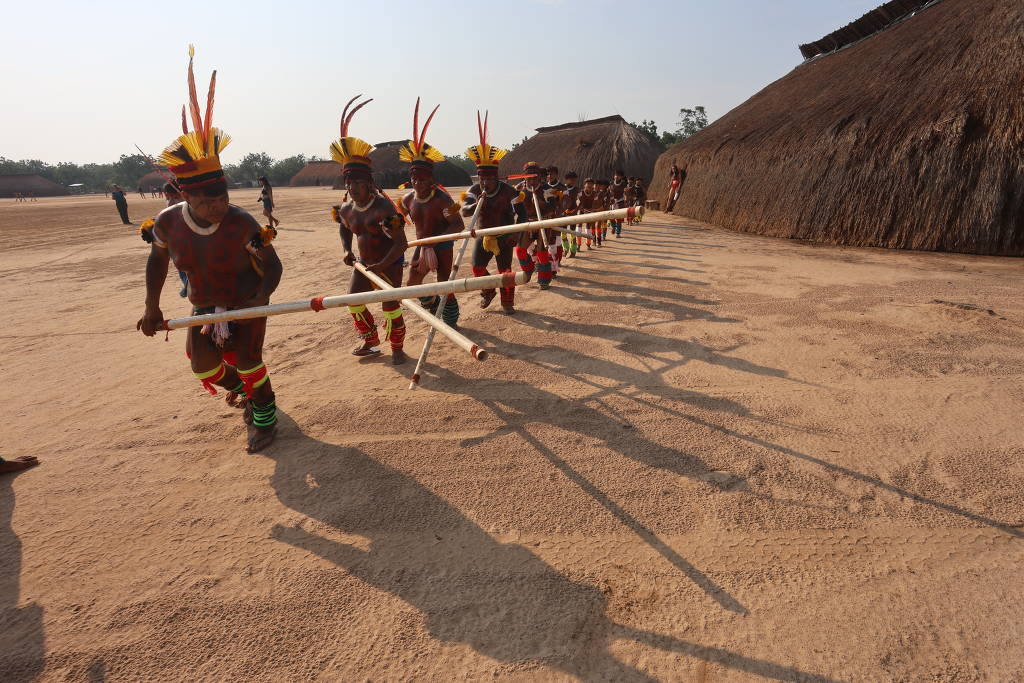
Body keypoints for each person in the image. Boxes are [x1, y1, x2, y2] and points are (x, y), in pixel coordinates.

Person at [136, 46, 282, 453]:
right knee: (204, 366)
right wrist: (151, 306)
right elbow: (157, 260)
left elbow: (271, 265)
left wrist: (260, 298)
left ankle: (264, 418)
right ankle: (245, 393)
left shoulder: (241, 222)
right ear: (185, 195)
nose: (219, 206)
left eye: (223, 197)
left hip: (246, 302)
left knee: (250, 359)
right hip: (203, 307)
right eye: (208, 201)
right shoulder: (167, 224)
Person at [330, 95, 409, 365]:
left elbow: (401, 244)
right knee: (353, 300)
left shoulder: (384, 210)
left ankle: (397, 348)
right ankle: (371, 341)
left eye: (358, 184)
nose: (353, 189)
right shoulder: (346, 209)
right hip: (364, 263)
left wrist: (382, 265)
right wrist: (346, 250)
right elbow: (345, 229)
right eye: (349, 184)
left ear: (369, 183)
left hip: (390, 261)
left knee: (390, 306)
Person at [399, 98, 466, 327]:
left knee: (445, 283)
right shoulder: (408, 199)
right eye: (414, 178)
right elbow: (401, 217)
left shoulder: (442, 199)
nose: (417, 182)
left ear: (431, 179)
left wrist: (437, 242)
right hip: (421, 246)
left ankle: (451, 321)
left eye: (422, 179)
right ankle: (432, 304)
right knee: (413, 284)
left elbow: (458, 225)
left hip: (443, 246)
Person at [463, 111, 527, 314]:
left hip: (504, 237)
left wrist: (516, 233)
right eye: (482, 179)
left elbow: (523, 215)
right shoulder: (474, 191)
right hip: (483, 237)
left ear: (496, 178)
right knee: (477, 269)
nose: (485, 183)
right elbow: (465, 212)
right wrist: (475, 206)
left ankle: (507, 302)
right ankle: (489, 291)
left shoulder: (509, 192)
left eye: (489, 179)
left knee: (505, 272)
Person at [513, 162, 556, 290]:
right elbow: (512, 207)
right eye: (529, 178)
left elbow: (552, 208)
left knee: (542, 252)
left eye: (534, 178)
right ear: (524, 177)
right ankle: (529, 269)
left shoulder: (547, 189)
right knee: (520, 250)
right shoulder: (518, 189)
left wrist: (540, 202)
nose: (531, 181)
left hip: (544, 222)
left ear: (539, 177)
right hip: (527, 223)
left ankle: (544, 280)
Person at [543, 166, 567, 273]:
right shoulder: (543, 186)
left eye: (551, 174)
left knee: (556, 242)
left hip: (557, 216)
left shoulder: (563, 187)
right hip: (545, 217)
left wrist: (559, 213)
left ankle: (554, 267)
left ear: (556, 174)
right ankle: (550, 264)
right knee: (547, 242)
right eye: (548, 174)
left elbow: (566, 202)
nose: (549, 176)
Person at [560, 171, 581, 257]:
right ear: (567, 180)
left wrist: (576, 210)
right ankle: (565, 249)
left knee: (572, 233)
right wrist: (562, 211)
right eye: (571, 180)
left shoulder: (577, 190)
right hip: (563, 214)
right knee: (563, 233)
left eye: (574, 180)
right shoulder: (562, 189)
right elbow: (559, 201)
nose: (573, 181)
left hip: (573, 213)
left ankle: (573, 251)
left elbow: (582, 202)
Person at [578, 178, 600, 249]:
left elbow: (596, 204)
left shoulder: (594, 194)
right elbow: (577, 202)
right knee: (579, 227)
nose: (590, 185)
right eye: (588, 184)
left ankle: (588, 244)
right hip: (581, 211)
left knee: (588, 227)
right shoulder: (580, 193)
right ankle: (578, 244)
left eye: (591, 184)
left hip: (590, 212)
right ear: (584, 185)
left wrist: (593, 210)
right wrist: (580, 208)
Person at [608, 169, 627, 238]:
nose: (616, 177)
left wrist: (626, 193)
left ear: (621, 177)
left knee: (618, 218)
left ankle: (618, 233)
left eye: (618, 176)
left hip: (620, 202)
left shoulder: (623, 184)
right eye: (616, 175)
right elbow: (609, 192)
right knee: (610, 217)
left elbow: (626, 193)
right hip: (612, 202)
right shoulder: (611, 183)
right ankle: (613, 227)